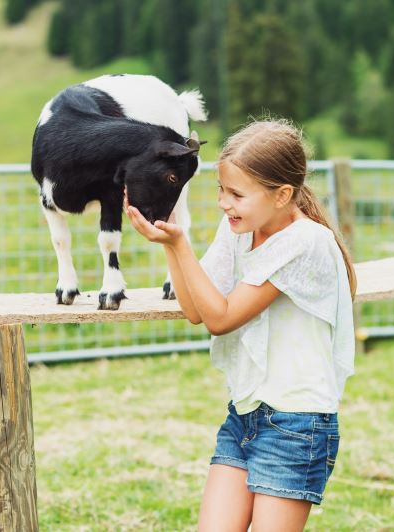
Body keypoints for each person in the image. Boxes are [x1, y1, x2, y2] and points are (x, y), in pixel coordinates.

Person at [125, 119, 356, 531]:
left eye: (235, 194)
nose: (223, 203)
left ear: (282, 195)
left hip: (296, 423)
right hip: (244, 415)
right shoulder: (240, 227)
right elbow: (197, 307)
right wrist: (170, 245)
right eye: (220, 190)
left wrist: (181, 245)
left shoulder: (305, 242)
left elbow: (221, 319)